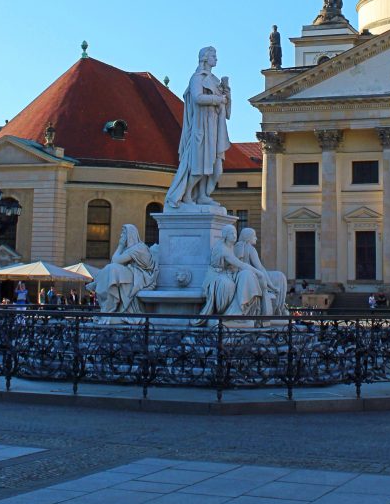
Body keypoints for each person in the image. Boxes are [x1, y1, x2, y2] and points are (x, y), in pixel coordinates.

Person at [165, 47, 231, 209]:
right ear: (205, 58)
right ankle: (187, 194)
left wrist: (227, 90)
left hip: (214, 126)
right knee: (200, 165)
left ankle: (202, 195)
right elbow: (197, 97)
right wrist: (217, 99)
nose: (216, 59)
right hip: (201, 126)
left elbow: (226, 108)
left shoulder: (215, 80)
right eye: (213, 56)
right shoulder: (196, 78)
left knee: (216, 168)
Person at [198, 224, 265, 319]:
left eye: (235, 233)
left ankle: (245, 308)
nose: (234, 236)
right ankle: (238, 310)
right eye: (231, 233)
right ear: (225, 235)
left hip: (229, 274)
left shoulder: (232, 246)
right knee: (241, 278)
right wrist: (259, 273)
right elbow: (240, 264)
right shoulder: (222, 248)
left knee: (247, 275)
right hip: (217, 275)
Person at [90, 223, 158, 316]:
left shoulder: (138, 248)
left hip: (142, 276)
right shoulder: (131, 249)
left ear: (130, 235)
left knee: (112, 269)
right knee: (111, 269)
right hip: (134, 273)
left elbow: (115, 260)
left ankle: (109, 308)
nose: (121, 235)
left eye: (123, 233)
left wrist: (120, 245)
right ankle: (108, 307)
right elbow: (115, 262)